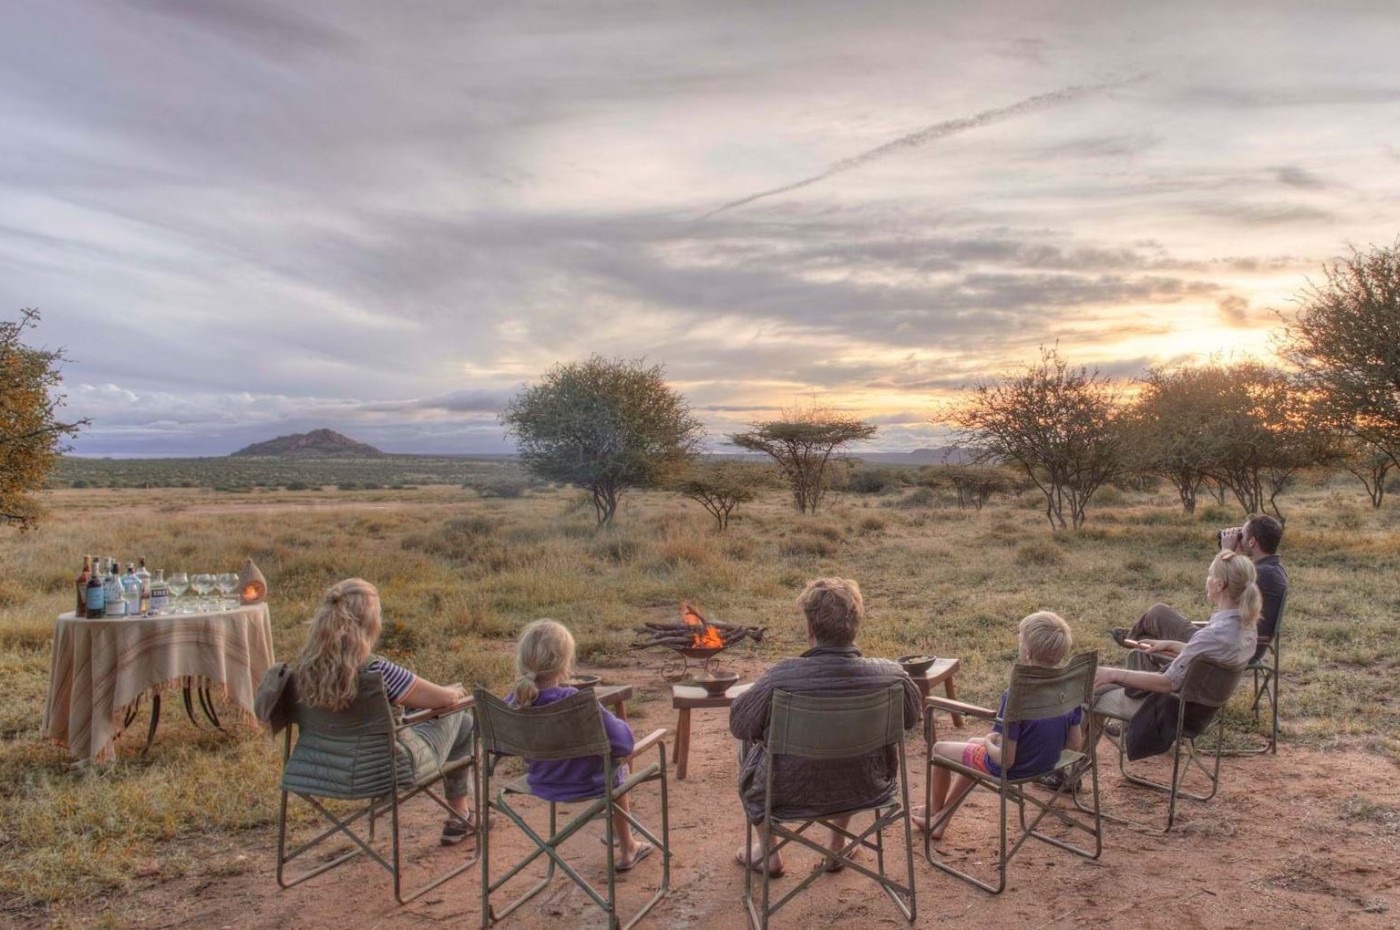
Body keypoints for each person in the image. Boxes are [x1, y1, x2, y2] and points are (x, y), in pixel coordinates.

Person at [730, 577, 922, 878]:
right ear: (856, 626)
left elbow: (739, 724)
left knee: (747, 746)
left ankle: (769, 851)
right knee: (848, 746)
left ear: (809, 628)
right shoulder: (892, 676)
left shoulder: (781, 677)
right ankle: (837, 844)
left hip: (785, 792)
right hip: (866, 785)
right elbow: (911, 717)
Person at [292, 578, 479, 845]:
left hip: (320, 766)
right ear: (370, 621)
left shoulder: (302, 669)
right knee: (462, 718)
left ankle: (460, 817)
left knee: (451, 719)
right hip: (386, 769)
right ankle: (460, 817)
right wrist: (454, 691)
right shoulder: (377, 671)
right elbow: (443, 698)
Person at [912, 612, 1084, 838]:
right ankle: (940, 818)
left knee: (940, 750)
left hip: (1016, 767)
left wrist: (987, 740)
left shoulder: (1016, 696)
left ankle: (936, 811)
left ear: (1028, 651)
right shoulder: (1070, 688)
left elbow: (1006, 760)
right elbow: (1074, 745)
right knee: (971, 751)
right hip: (1049, 763)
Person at [507, 619, 653, 872]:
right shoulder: (577, 702)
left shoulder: (515, 702)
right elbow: (624, 743)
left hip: (539, 782)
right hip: (590, 783)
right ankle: (627, 845)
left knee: (611, 766)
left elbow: (502, 747)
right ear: (565, 664)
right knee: (617, 769)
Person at [1093, 549, 1259, 755]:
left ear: (1219, 585)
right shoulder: (1248, 628)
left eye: (1210, 575)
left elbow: (1166, 683)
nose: (1207, 580)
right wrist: (1172, 644)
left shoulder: (1212, 635)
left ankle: (1072, 767)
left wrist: (1113, 674)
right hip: (1201, 713)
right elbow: (1207, 658)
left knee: (1090, 688)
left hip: (1169, 714)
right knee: (1138, 656)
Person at [1113, 513, 1285, 663]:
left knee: (1158, 613)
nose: (1238, 538)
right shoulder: (1273, 570)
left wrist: (1226, 552)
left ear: (1252, 541)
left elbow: (1216, 591)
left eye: (1242, 535)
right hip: (1232, 639)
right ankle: (1137, 642)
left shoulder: (1261, 573)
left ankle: (1132, 640)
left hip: (1226, 645)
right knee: (1151, 634)